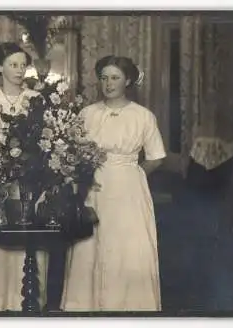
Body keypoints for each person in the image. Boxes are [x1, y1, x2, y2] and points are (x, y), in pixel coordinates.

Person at [61, 55, 166, 311]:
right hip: (93, 188)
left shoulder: (143, 116)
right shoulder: (87, 114)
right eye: (104, 78)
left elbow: (156, 157)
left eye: (115, 78)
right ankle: (85, 308)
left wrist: (129, 173)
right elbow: (71, 154)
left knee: (126, 246)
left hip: (129, 190)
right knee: (90, 246)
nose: (109, 84)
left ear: (127, 80)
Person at [0, 42, 49, 311]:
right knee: (0, 240)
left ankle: (30, 304)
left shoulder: (35, 98)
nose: (20, 70)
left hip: (31, 180)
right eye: (13, 65)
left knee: (30, 239)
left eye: (23, 65)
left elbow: (46, 139)